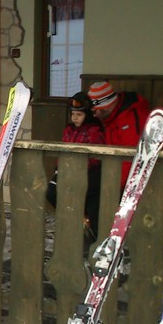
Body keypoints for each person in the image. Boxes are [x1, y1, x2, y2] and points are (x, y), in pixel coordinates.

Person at [46, 91, 105, 239]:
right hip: (66, 170)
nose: (75, 118)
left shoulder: (94, 131)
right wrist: (59, 168)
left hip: (87, 173)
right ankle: (74, 218)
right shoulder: (69, 130)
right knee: (52, 192)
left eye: (79, 114)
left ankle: (87, 229)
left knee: (86, 201)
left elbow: (95, 157)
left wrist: (78, 167)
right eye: (73, 114)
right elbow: (63, 149)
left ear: (87, 115)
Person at [87, 81, 151, 187]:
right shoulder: (111, 117)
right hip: (119, 168)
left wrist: (113, 186)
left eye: (95, 111)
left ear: (105, 107)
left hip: (146, 175)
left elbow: (133, 157)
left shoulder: (130, 118)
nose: (94, 115)